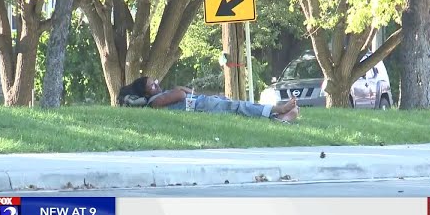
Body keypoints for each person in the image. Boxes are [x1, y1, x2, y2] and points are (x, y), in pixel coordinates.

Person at [118, 76, 299, 122]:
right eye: (152, 85)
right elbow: (181, 94)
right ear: (146, 93)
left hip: (202, 103)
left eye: (155, 81)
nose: (157, 85)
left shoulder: (157, 96)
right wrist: (180, 88)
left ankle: (277, 118)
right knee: (238, 107)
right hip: (201, 107)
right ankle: (278, 111)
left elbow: (184, 94)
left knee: (236, 105)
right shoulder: (154, 101)